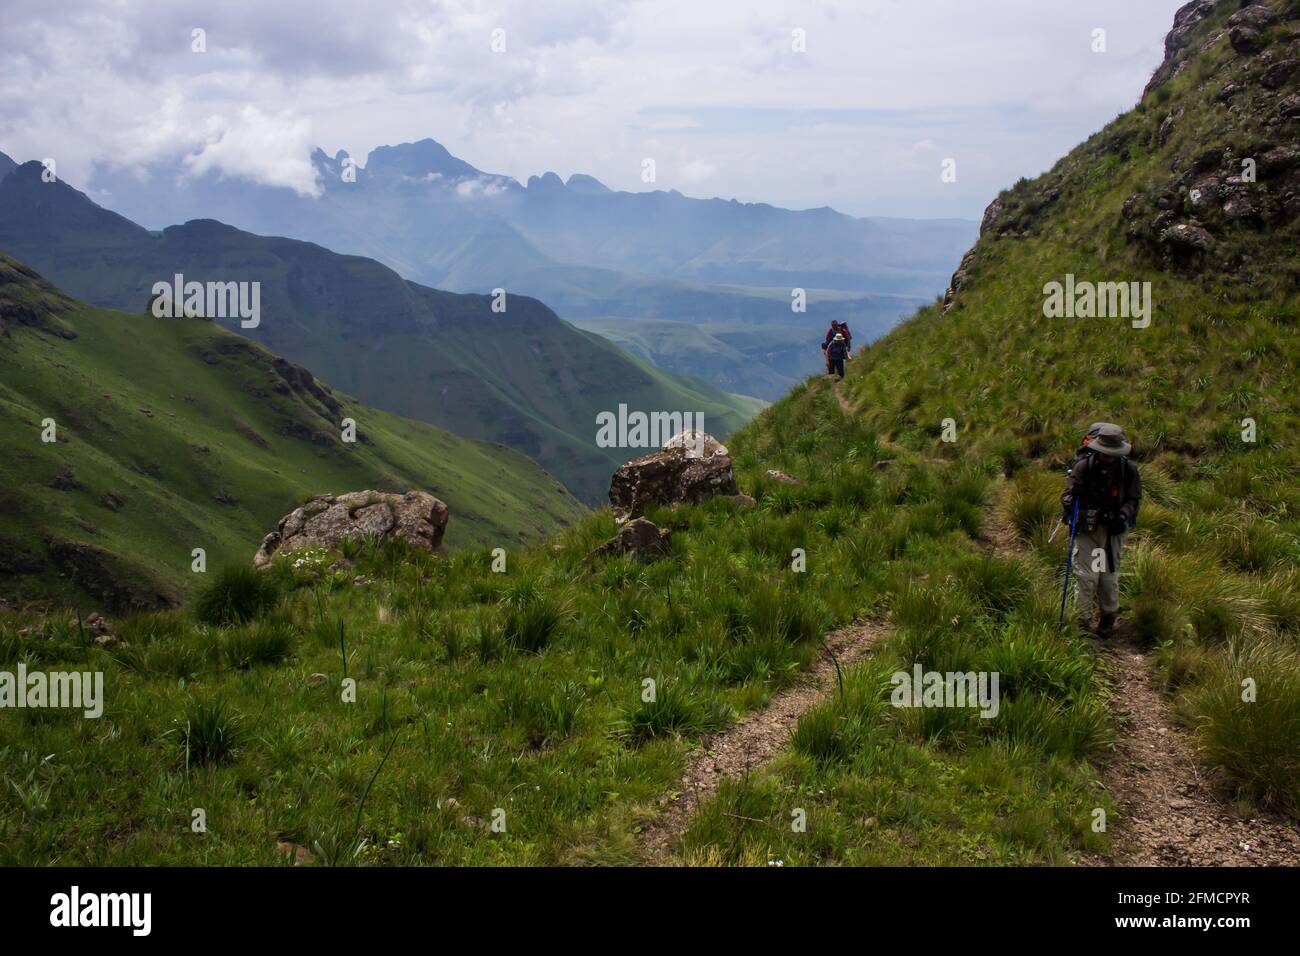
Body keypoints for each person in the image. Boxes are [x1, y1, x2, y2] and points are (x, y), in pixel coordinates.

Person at [1060, 422, 1141, 636]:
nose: (1108, 457)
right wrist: (1071, 502)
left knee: (1107, 576)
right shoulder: (1083, 467)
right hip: (1087, 528)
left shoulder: (1128, 470)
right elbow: (1068, 495)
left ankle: (1107, 617)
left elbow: (1134, 499)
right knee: (1086, 575)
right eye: (1105, 453)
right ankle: (1082, 621)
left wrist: (1123, 515)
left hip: (1113, 529)